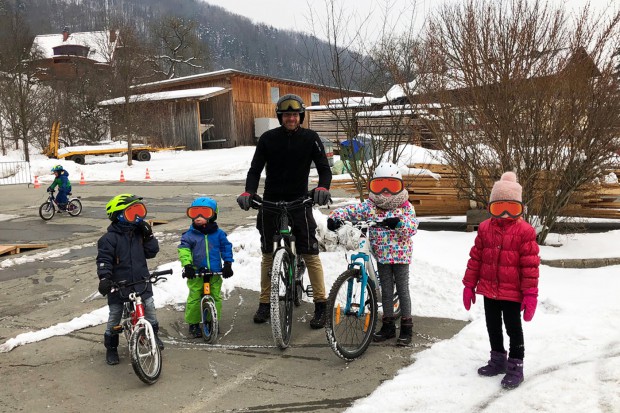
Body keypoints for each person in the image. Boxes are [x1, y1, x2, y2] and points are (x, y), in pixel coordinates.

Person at [237, 94, 332, 328]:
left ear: (301, 116)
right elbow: (254, 169)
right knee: (268, 254)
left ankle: (321, 304)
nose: (291, 118)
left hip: (300, 201)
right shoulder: (268, 138)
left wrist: (322, 187)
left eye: (295, 114)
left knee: (310, 252)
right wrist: (249, 192)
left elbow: (324, 169)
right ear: (280, 117)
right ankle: (265, 302)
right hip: (271, 201)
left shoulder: (310, 138)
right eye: (287, 115)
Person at [462, 171, 540, 390]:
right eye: (499, 208)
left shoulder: (525, 231)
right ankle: (498, 359)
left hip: (513, 292)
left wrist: (530, 293)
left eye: (512, 208)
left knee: (513, 329)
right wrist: (469, 285)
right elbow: (476, 258)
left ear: (519, 207)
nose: (505, 214)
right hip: (489, 289)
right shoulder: (485, 228)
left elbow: (530, 266)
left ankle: (516, 365)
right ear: (491, 206)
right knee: (492, 326)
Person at [327, 162, 419, 345]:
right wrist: (335, 216)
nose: (385, 191)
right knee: (385, 290)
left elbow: (412, 226)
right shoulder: (371, 205)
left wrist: (399, 223)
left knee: (401, 289)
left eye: (391, 185)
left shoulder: (405, 206)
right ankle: (388, 326)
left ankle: (407, 327)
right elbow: (353, 210)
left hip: (400, 255)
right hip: (381, 255)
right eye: (379, 185)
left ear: (399, 186)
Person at [96, 194, 162, 365]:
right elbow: (104, 261)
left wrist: (148, 236)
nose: (138, 217)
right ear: (119, 216)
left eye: (139, 212)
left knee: (150, 310)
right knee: (115, 315)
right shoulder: (108, 239)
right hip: (119, 285)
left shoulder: (139, 234)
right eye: (132, 213)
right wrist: (105, 278)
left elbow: (152, 252)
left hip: (141, 281)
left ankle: (153, 336)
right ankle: (111, 348)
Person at [178, 197, 234, 338]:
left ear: (213, 215)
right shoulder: (189, 236)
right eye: (194, 213)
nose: (198, 217)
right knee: (195, 297)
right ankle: (194, 323)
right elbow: (184, 251)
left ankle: (212, 320)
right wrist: (187, 266)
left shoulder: (219, 234)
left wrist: (227, 263)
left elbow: (226, 247)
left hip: (215, 273)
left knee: (215, 296)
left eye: (204, 213)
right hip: (196, 273)